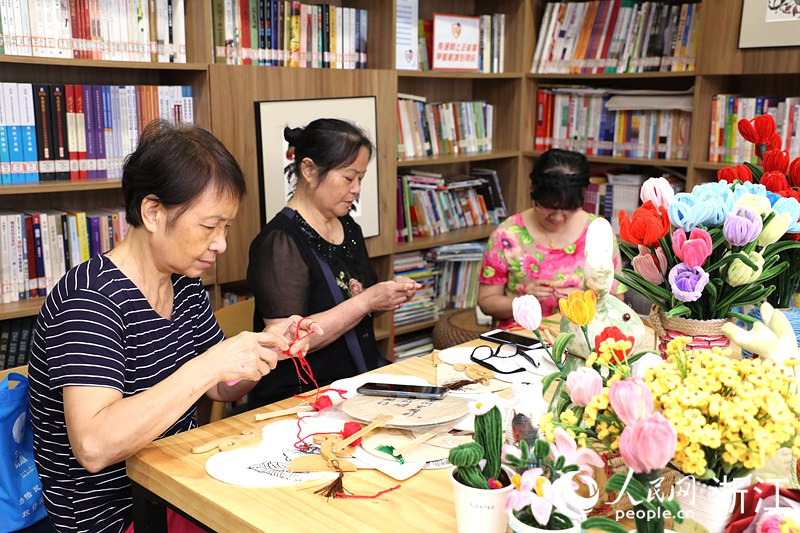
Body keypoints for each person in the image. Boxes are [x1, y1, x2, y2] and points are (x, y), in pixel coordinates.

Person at [27, 120, 322, 533]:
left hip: (177, 490)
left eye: (226, 228)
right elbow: (94, 445)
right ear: (152, 211)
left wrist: (263, 350)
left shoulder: (183, 283)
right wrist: (209, 366)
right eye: (208, 226)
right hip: (117, 520)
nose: (220, 243)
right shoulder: (89, 300)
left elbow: (221, 388)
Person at [246, 118, 420, 407]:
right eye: (348, 178)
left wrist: (386, 295)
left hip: (356, 383)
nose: (356, 189)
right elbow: (288, 342)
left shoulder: (348, 227)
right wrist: (367, 302)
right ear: (309, 170)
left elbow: (357, 303)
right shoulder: (279, 243)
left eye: (361, 179)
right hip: (302, 396)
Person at [477, 148, 625, 328]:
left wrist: (583, 301)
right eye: (548, 207)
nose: (557, 217)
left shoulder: (597, 233)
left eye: (569, 208)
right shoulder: (507, 234)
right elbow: (486, 302)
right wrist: (522, 301)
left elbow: (617, 301)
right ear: (534, 194)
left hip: (583, 338)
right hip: (521, 338)